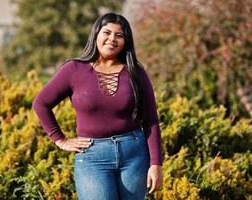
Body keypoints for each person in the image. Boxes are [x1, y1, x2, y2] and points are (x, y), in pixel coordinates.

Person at [32, 12, 163, 200]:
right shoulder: (73, 69)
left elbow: (151, 121)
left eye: (119, 35)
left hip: (134, 155)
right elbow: (41, 103)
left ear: (126, 41)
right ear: (96, 35)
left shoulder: (136, 73)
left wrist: (156, 164)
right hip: (92, 156)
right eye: (107, 33)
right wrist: (60, 140)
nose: (112, 39)